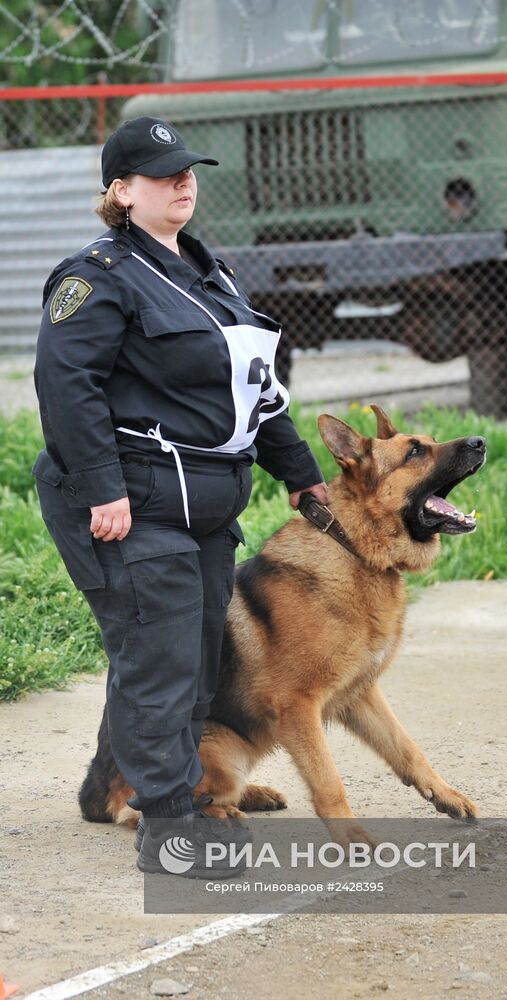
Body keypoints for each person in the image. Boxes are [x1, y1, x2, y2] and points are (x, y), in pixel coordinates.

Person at [33, 116, 328, 878]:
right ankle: (170, 822)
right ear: (121, 191)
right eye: (162, 175)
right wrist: (102, 489)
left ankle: (110, 789)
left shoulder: (206, 271)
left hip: (204, 505)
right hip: (128, 501)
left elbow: (256, 392)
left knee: (190, 655)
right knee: (161, 655)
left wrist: (300, 474)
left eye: (187, 171)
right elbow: (68, 388)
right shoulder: (94, 277)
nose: (182, 182)